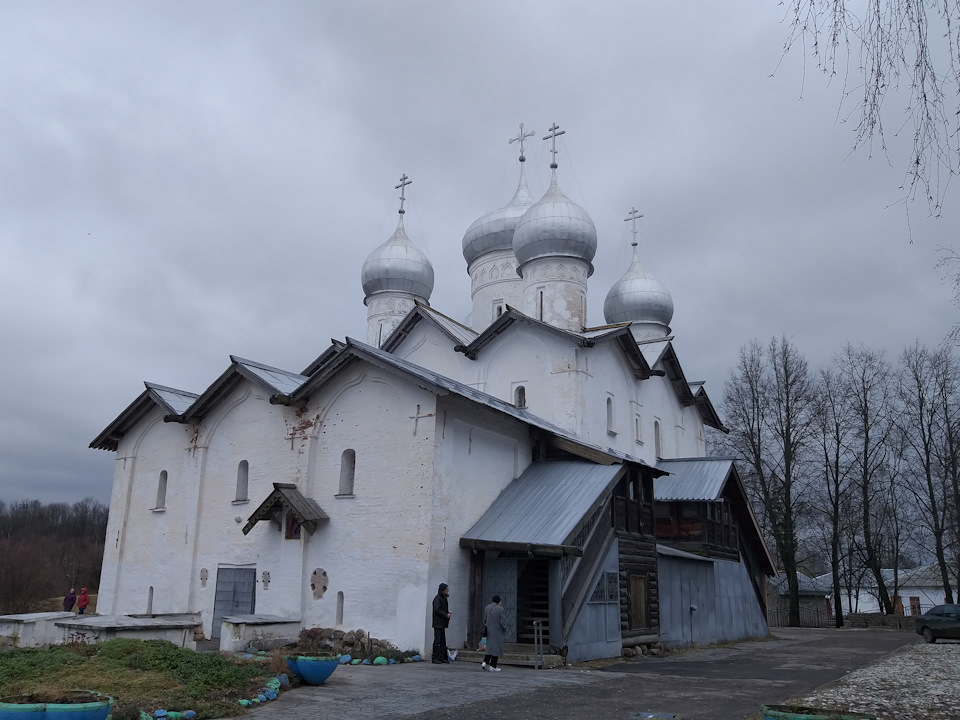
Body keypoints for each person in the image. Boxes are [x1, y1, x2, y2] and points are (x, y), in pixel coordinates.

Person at [481, 594, 507, 672]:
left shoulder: (487, 608)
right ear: (498, 601)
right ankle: (493, 665)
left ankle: (485, 662)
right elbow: (503, 621)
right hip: (497, 631)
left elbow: (484, 620)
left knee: (489, 647)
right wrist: (505, 628)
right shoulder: (500, 609)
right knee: (496, 648)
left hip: (489, 630)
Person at [431, 582, 451, 663]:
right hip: (438, 623)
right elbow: (437, 610)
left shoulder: (443, 598)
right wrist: (446, 615)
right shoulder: (437, 598)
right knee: (437, 641)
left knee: (442, 641)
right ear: (443, 590)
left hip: (442, 623)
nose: (448, 591)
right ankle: (435, 657)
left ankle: (442, 657)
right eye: (446, 589)